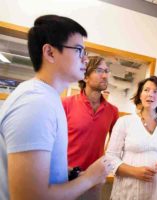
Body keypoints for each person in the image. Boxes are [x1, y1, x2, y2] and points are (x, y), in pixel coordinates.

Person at [0, 15, 111, 200]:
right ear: (50, 52)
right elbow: (29, 197)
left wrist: (67, 173)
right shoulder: (36, 103)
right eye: (79, 50)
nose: (85, 59)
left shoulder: (48, 98)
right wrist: (91, 178)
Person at [106, 76, 157, 200]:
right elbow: (110, 158)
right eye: (146, 90)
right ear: (140, 95)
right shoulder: (124, 122)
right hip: (128, 193)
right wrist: (135, 171)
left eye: (156, 91)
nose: (150, 94)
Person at [62, 56, 118, 199]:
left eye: (107, 71)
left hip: (94, 181)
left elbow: (115, 146)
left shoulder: (112, 111)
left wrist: (106, 165)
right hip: (64, 177)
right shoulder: (66, 104)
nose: (105, 75)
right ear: (85, 77)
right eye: (99, 70)